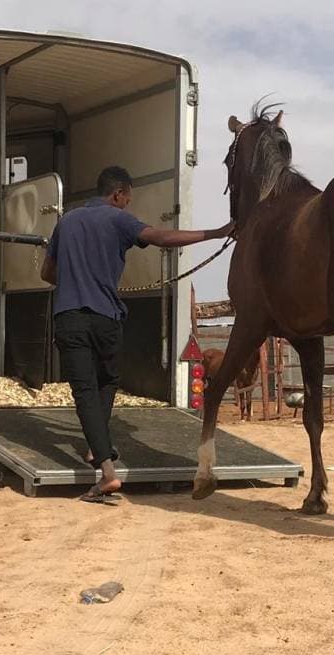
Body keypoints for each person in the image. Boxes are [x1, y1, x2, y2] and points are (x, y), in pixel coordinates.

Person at [40, 166, 234, 503]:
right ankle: (104, 464)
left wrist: (74, 279)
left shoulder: (66, 222)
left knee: (85, 390)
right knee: (107, 381)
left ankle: (100, 457)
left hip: (69, 316)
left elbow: (47, 272)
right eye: (128, 198)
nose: (128, 204)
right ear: (118, 194)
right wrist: (215, 233)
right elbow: (162, 238)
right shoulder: (118, 219)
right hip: (106, 318)